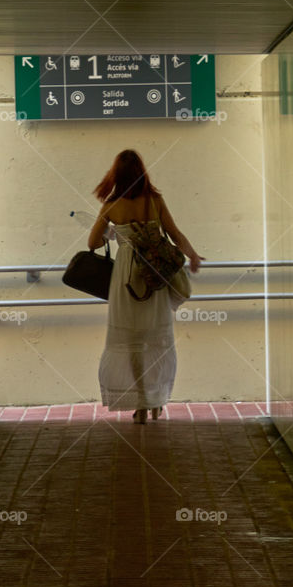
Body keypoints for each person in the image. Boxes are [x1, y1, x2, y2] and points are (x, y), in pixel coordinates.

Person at [88, 149, 204, 424]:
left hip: (126, 276)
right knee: (156, 338)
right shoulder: (155, 201)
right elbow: (175, 235)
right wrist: (193, 255)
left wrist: (113, 232)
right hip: (154, 276)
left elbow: (92, 244)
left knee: (131, 342)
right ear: (142, 171)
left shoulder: (111, 206)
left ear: (116, 175)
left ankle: (139, 404)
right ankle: (155, 401)